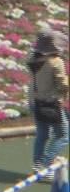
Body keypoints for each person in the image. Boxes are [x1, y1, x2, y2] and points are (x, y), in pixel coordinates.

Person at [30, 30, 69, 171]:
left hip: (35, 102)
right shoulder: (56, 62)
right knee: (63, 135)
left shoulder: (34, 59)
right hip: (51, 103)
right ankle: (46, 164)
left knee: (42, 134)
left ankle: (37, 165)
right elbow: (63, 85)